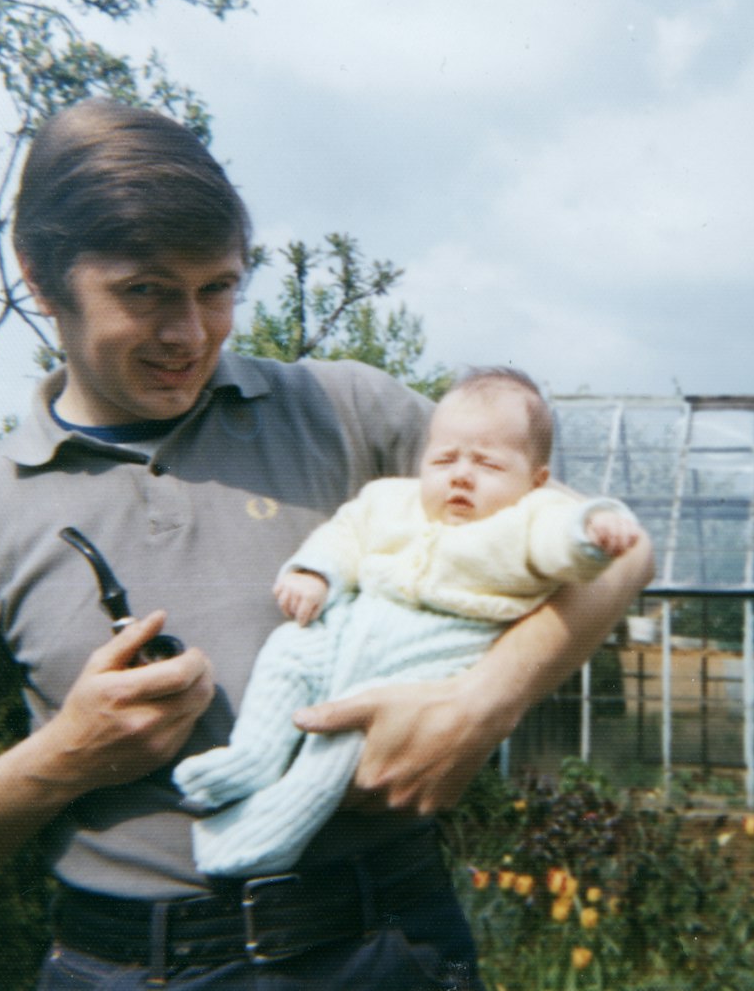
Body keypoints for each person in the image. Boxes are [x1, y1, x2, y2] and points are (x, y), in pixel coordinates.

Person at [0, 99, 654, 990]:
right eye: (145, 292)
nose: (191, 334)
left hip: (381, 942)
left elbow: (620, 548)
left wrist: (486, 702)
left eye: (217, 288)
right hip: (122, 966)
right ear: (40, 278)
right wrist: (67, 755)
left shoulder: (344, 411)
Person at [173, 367, 641, 878]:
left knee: (349, 739)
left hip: (428, 659)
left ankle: (274, 827)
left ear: (536, 480)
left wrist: (590, 531)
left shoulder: (528, 518)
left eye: (487, 464)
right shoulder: (389, 500)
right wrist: (315, 573)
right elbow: (345, 535)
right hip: (349, 629)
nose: (461, 475)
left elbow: (559, 539)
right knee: (289, 648)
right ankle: (254, 755)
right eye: (444, 459)